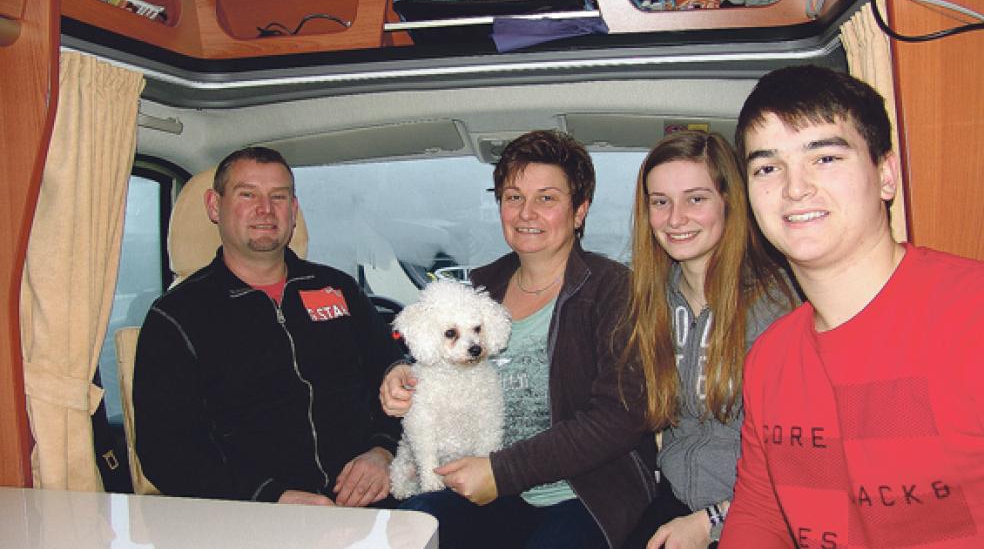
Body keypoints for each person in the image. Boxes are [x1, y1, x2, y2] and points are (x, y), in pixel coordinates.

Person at [721, 65, 984, 547]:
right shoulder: (770, 361)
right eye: (767, 167)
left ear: (886, 175)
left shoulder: (971, 318)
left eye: (824, 158)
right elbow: (762, 511)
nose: (794, 188)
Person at [380, 130, 657, 549]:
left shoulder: (613, 288)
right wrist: (399, 373)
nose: (526, 212)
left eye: (546, 198)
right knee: (408, 530)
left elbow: (620, 416)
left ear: (579, 211)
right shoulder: (478, 286)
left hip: (581, 493)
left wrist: (501, 471)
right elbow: (432, 347)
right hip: (482, 488)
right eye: (513, 197)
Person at [133, 147, 403, 506]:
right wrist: (270, 497)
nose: (266, 209)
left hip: (370, 501)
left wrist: (382, 452)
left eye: (279, 197)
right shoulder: (176, 316)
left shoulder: (339, 289)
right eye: (248, 195)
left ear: (294, 210)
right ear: (215, 206)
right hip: (250, 513)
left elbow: (395, 377)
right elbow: (165, 449)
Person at [618, 131, 797, 549]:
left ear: (729, 202)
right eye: (660, 202)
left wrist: (713, 521)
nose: (675, 218)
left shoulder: (779, 305)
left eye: (695, 199)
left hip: (757, 512)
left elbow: (802, 461)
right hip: (675, 499)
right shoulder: (653, 301)